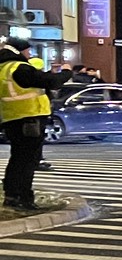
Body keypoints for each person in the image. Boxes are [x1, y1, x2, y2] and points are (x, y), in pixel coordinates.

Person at [0, 41, 72, 210]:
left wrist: (48, 75)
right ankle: (24, 198)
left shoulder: (4, 68)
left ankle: (11, 195)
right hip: (29, 119)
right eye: (28, 51)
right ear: (20, 51)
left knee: (17, 159)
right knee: (28, 160)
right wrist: (67, 72)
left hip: (13, 118)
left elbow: (34, 82)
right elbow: (49, 82)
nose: (30, 54)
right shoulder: (19, 67)